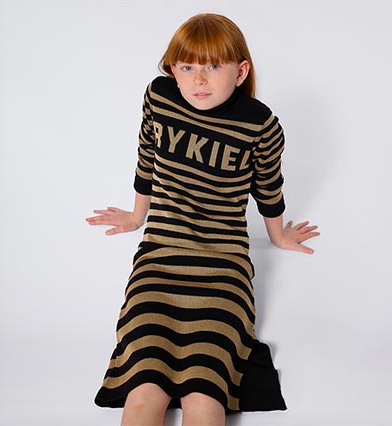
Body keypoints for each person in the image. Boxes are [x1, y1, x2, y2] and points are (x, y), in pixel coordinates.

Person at [86, 13, 320, 426]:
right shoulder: (159, 97)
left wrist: (278, 235)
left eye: (213, 67)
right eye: (186, 67)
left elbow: (268, 187)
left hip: (222, 266)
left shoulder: (260, 124)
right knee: (144, 385)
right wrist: (138, 216)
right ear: (172, 69)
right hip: (160, 258)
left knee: (203, 386)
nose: (198, 80)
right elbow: (146, 155)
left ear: (240, 71)